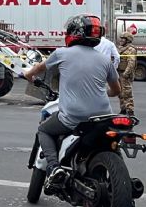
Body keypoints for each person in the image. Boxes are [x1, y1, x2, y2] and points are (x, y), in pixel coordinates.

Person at [22, 14, 121, 193]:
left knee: (44, 129)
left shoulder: (61, 53)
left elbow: (36, 70)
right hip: (104, 117)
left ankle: (54, 168)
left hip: (74, 118)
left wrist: (28, 76)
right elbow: (117, 91)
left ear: (73, 33)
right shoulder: (105, 60)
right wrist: (101, 92)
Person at [117, 32, 137, 116]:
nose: (121, 40)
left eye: (123, 38)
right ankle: (123, 109)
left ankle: (130, 110)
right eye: (121, 38)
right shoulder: (120, 48)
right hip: (119, 72)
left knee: (127, 93)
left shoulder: (131, 49)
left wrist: (126, 73)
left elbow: (131, 63)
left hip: (125, 74)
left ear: (128, 40)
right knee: (120, 93)